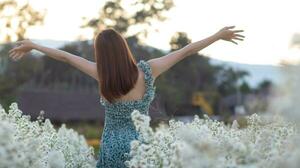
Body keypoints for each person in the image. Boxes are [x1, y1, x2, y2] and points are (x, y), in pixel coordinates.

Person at [8, 26, 245, 167]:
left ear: (101, 54)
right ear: (124, 48)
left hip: (111, 147)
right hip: (139, 148)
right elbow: (186, 51)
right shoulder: (148, 70)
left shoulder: (101, 74)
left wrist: (35, 46)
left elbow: (66, 58)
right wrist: (217, 35)